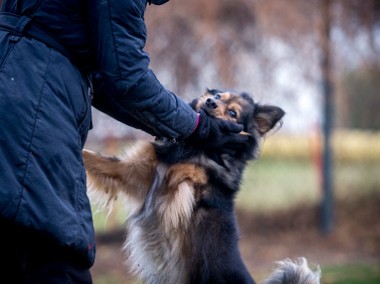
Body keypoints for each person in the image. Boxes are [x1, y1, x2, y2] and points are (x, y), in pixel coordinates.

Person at [0, 0, 247, 282]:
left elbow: (108, 81)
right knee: (55, 262)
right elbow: (127, 76)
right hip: (32, 105)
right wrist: (197, 126)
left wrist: (184, 123)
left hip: (18, 83)